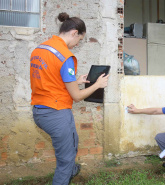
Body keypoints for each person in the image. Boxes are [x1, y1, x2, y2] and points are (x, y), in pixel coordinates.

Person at [30, 12, 109, 185]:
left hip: (39, 111)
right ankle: (67, 171)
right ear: (74, 33)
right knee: (65, 160)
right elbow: (77, 96)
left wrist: (75, 81)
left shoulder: (40, 49)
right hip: (56, 113)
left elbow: (50, 78)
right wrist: (97, 85)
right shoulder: (65, 56)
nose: (77, 44)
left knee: (72, 141)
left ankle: (72, 169)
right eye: (79, 39)